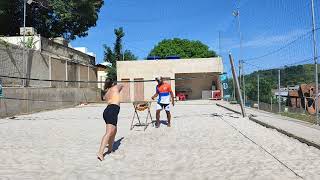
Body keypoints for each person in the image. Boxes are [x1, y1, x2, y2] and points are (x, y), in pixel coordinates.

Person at [97, 78, 123, 161]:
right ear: (112, 84)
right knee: (108, 132)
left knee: (114, 130)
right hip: (112, 110)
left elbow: (105, 98)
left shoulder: (107, 92)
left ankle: (110, 149)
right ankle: (100, 153)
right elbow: (121, 85)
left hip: (108, 111)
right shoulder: (115, 88)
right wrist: (117, 84)